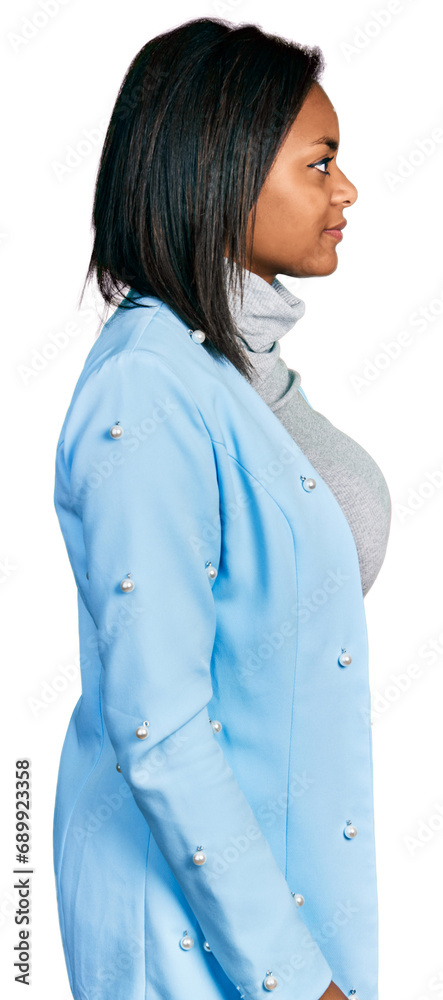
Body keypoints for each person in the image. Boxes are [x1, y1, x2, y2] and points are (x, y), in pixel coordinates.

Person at [52, 16, 391, 1000]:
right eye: (318, 163)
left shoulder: (234, 367)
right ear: (223, 171)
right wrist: (294, 979)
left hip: (273, 909)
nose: (346, 190)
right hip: (192, 944)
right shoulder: (146, 392)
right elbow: (159, 725)